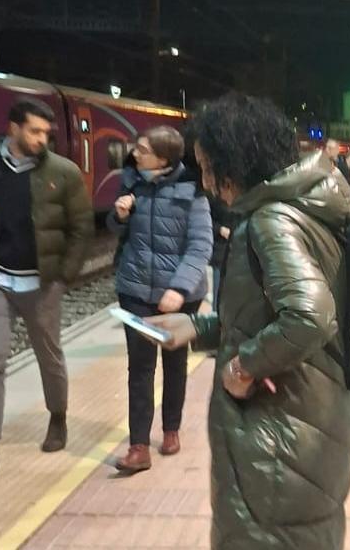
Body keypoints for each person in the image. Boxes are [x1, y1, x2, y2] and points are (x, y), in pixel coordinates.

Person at [146, 93, 350, 549]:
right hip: (305, 421)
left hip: (277, 437)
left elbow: (309, 317)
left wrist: (244, 367)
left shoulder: (272, 222)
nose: (205, 182)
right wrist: (198, 329)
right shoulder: (304, 211)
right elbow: (265, 317)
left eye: (208, 167)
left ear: (237, 160)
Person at [0, 99, 93, 485]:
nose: (42, 139)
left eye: (47, 133)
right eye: (34, 131)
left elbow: (81, 228)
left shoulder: (64, 172)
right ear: (13, 128)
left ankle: (57, 417)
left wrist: (63, 277)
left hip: (41, 283)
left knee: (49, 355)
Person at [108, 126, 212, 474]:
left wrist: (179, 289)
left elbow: (200, 247)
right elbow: (114, 229)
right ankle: (138, 445)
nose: (134, 153)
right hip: (135, 288)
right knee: (139, 367)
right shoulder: (132, 181)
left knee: (174, 364)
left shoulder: (193, 191)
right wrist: (119, 215)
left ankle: (170, 429)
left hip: (179, 295)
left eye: (143, 149)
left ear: (164, 158)